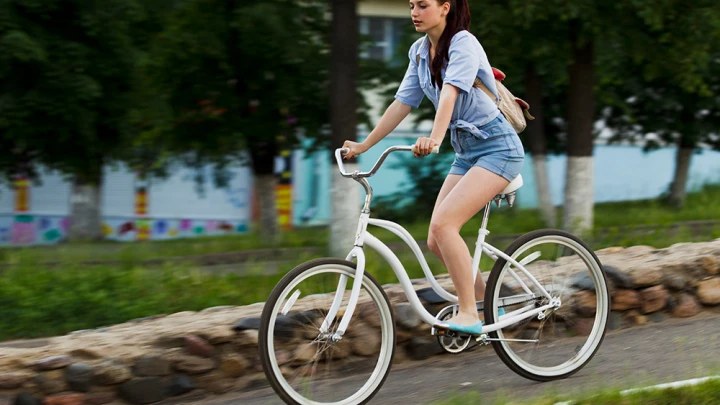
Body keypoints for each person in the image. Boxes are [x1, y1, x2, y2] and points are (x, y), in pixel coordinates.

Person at [342, 0, 525, 334]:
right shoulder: (419, 52)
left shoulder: (464, 43)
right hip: (467, 152)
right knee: (434, 239)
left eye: (422, 5)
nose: (414, 11)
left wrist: (435, 137)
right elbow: (403, 103)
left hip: (498, 147)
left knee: (445, 225)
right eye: (411, 5)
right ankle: (487, 305)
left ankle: (468, 312)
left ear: (445, 7)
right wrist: (365, 145)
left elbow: (451, 93)